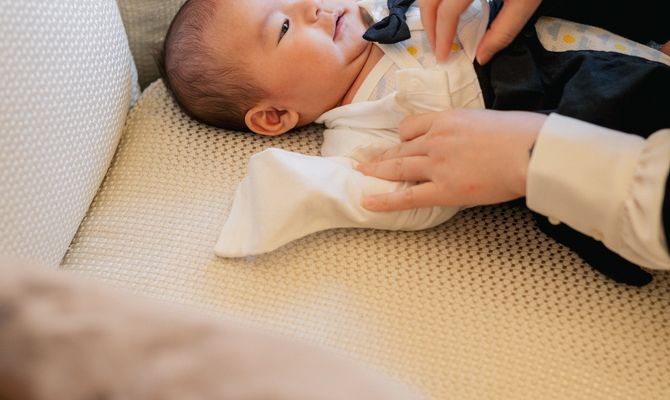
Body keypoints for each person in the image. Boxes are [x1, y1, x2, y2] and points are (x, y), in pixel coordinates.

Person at [160, 0, 670, 284]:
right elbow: (406, 196)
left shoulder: (388, 5)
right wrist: (309, 186)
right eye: (285, 26)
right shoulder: (361, 133)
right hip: (573, 107)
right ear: (274, 116)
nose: (314, 6)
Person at [357, 0, 670, 283]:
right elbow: (366, 190)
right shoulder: (356, 129)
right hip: (553, 98)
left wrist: (535, 154)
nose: (325, 7)